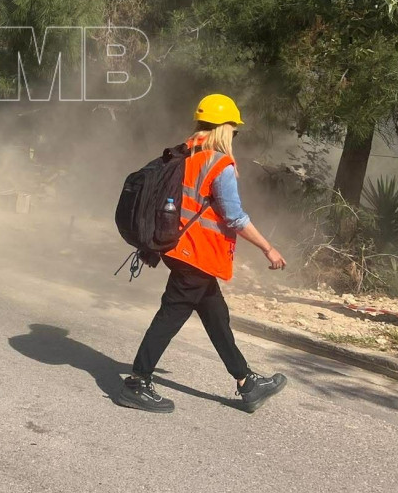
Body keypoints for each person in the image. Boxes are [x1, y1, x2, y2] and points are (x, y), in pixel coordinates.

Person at [118, 94, 289, 414]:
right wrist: (268, 248)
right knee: (170, 316)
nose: (235, 136)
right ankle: (137, 381)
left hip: (179, 249)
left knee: (215, 315)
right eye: (234, 130)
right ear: (225, 129)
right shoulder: (218, 163)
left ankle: (247, 383)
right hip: (196, 254)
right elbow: (234, 217)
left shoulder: (185, 154)